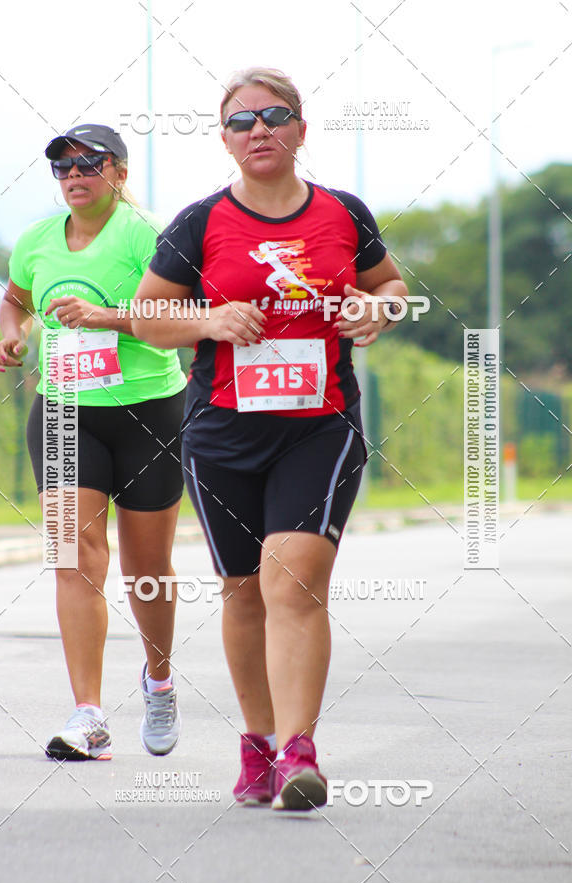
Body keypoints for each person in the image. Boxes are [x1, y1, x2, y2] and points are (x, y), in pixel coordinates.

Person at [132, 68, 408, 809]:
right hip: (221, 433)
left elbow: (391, 285)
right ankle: (256, 745)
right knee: (244, 589)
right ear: (224, 140)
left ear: (300, 130)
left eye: (274, 116)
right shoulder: (198, 224)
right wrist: (208, 320)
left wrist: (379, 311)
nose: (259, 130)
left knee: (292, 579)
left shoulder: (344, 214)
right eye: (241, 121)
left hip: (319, 427)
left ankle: (299, 751)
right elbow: (146, 316)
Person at [0, 124, 187, 761]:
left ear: (120, 173)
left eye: (89, 164)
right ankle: (89, 715)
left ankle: (158, 681)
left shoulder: (148, 235)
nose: (74, 175)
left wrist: (106, 317)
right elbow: (15, 300)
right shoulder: (37, 240)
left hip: (149, 412)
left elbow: (189, 317)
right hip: (65, 409)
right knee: (74, 553)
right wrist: (13, 334)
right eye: (63, 168)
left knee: (146, 569)